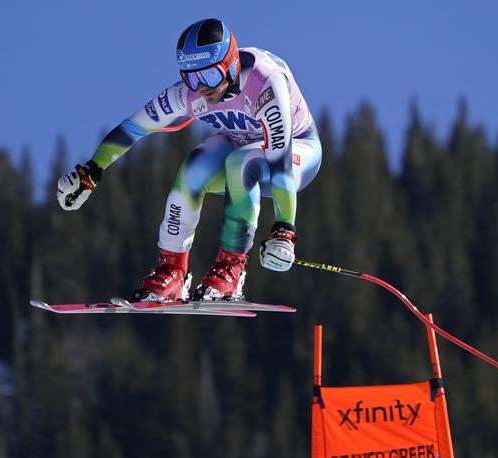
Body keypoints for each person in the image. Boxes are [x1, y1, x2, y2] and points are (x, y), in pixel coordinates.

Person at [57, 18, 322, 302]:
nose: (202, 88)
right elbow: (133, 128)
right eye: (191, 78)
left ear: (231, 65)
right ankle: (172, 270)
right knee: (195, 166)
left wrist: (284, 230)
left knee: (240, 163)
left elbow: (279, 162)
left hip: (296, 152)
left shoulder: (265, 83)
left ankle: (231, 269)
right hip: (240, 141)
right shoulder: (188, 94)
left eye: (208, 77)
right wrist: (92, 171)